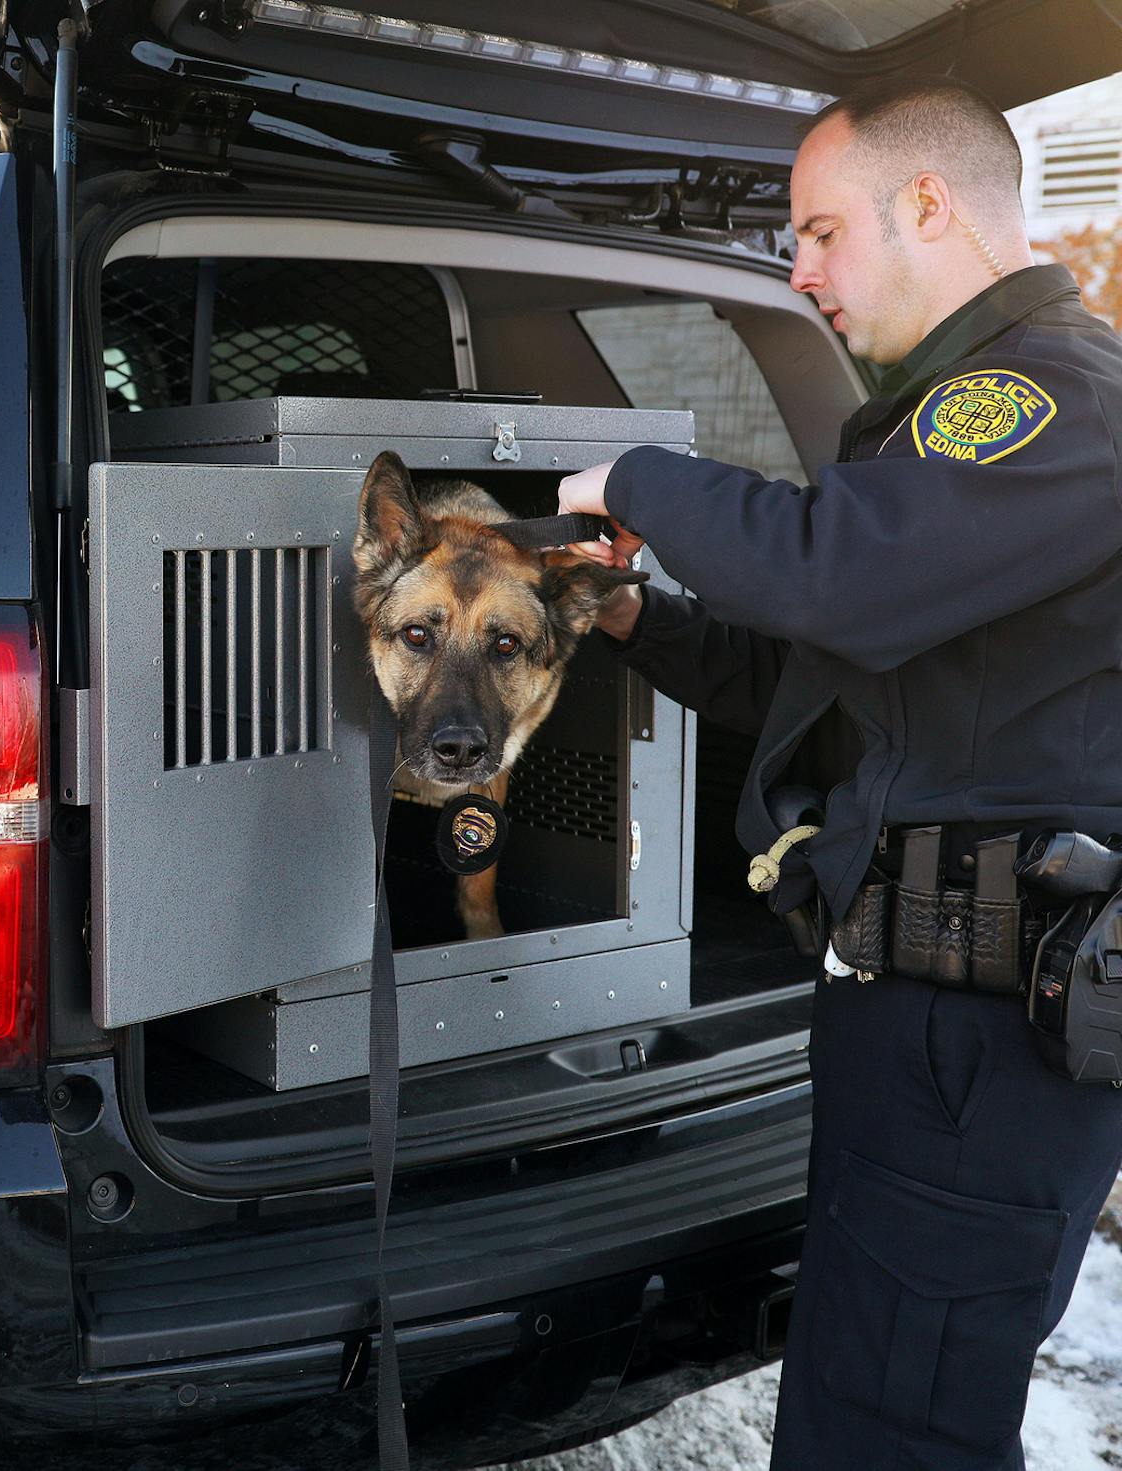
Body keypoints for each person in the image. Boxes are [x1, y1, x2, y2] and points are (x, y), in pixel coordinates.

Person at [556, 76, 1122, 1470]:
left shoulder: (1047, 400)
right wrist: (635, 617)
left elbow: (832, 575)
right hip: (937, 1024)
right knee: (878, 1404)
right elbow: (832, 685)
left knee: (887, 1436)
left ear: (927, 204)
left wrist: (636, 475)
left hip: (981, 1041)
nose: (798, 271)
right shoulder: (974, 422)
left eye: (817, 232)